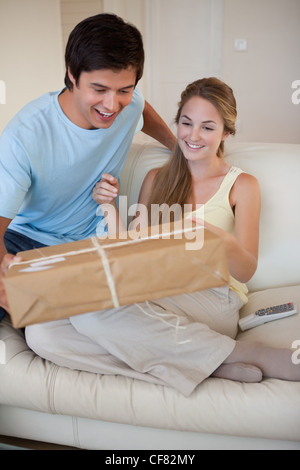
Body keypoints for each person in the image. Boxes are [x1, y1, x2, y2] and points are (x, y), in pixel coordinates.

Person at [24, 77, 300, 397]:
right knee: (42, 333)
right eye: (186, 123)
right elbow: (130, 253)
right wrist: (108, 208)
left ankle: (242, 354)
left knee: (91, 310)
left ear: (226, 132)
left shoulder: (242, 185)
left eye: (207, 128)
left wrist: (212, 238)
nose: (193, 136)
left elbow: (246, 270)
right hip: (153, 291)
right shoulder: (156, 179)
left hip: (212, 296)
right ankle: (212, 366)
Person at [0, 13, 176, 322]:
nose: (112, 105)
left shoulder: (130, 105)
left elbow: (143, 110)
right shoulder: (25, 136)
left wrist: (180, 149)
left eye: (124, 89)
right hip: (24, 239)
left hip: (86, 246)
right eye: (99, 89)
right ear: (71, 74)